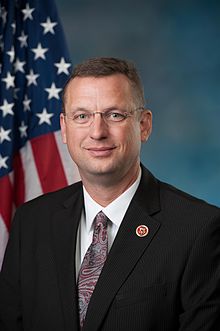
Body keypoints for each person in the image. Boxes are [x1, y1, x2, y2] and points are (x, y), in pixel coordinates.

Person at [0, 57, 220, 331]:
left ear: (144, 125)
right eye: (82, 116)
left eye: (115, 114)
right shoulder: (32, 222)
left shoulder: (198, 229)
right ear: (64, 128)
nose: (97, 132)